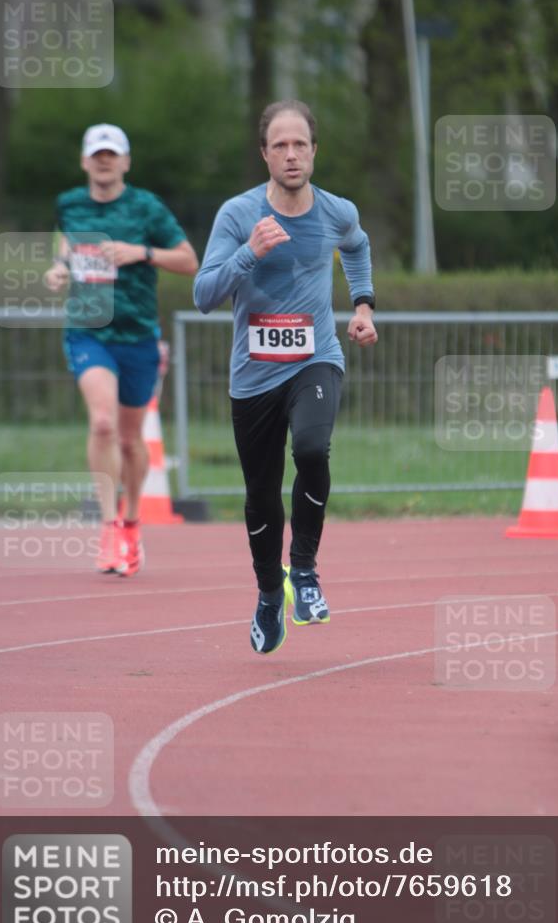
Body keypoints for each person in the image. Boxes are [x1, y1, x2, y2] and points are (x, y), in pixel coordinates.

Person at [194, 100, 377, 655]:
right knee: (260, 497)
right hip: (254, 377)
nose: (291, 154)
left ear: (314, 151)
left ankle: (304, 571)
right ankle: (270, 593)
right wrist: (249, 252)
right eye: (280, 145)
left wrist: (364, 305)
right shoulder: (237, 215)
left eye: (300, 144)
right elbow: (203, 296)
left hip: (315, 359)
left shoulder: (336, 211)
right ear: (265, 154)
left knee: (315, 449)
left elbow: (358, 245)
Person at [44, 123, 198, 576]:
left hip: (137, 334)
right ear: (84, 160)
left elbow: (190, 260)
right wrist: (58, 267)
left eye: (113, 153)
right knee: (103, 421)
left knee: (131, 441)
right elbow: (66, 241)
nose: (104, 160)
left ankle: (132, 521)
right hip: (88, 330)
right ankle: (109, 525)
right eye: (97, 153)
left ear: (126, 161)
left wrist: (141, 253)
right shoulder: (69, 203)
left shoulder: (146, 207)